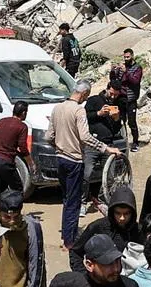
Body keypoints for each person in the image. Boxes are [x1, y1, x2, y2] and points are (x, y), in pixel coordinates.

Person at [46, 80, 121, 250]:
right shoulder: (78, 110)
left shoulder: (57, 108)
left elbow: (48, 136)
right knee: (73, 202)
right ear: (84, 94)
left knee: (66, 199)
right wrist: (106, 148)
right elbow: (85, 137)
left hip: (60, 159)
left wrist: (59, 147)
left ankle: (67, 233)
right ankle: (70, 241)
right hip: (74, 161)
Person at [72, 185, 143, 273]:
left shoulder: (138, 231)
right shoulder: (98, 227)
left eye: (126, 214)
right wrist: (83, 275)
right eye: (118, 213)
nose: (122, 218)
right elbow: (76, 252)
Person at [0, 101, 30, 200]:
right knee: (18, 189)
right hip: (5, 162)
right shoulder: (22, 126)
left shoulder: (0, 122)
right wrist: (31, 162)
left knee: (1, 186)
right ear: (23, 113)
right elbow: (23, 147)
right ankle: (16, 213)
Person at [110, 48, 144, 150]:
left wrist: (127, 72)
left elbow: (135, 81)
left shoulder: (137, 68)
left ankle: (135, 142)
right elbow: (113, 80)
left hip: (131, 99)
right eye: (124, 57)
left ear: (132, 56)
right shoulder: (122, 67)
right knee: (120, 120)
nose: (126, 59)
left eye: (128, 57)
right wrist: (113, 70)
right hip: (120, 98)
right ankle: (122, 141)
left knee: (132, 122)